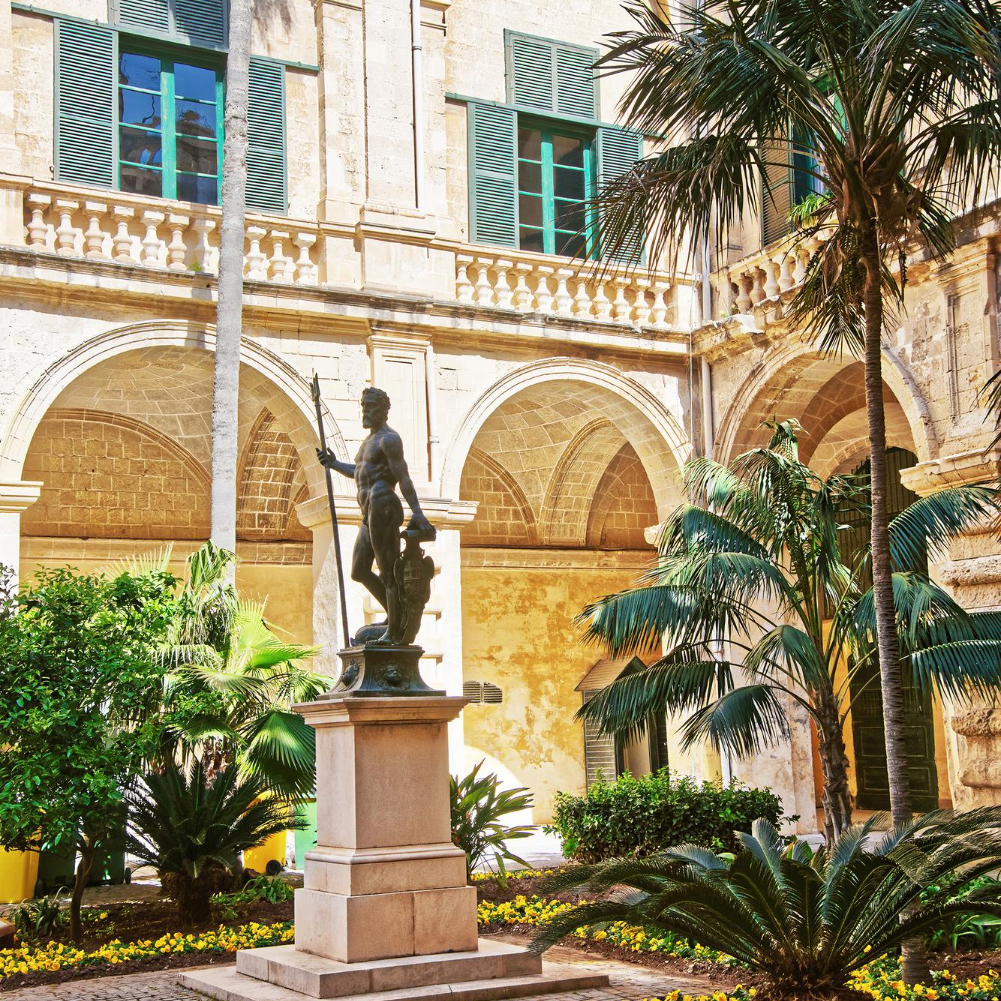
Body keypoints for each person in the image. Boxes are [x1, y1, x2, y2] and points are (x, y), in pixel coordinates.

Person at [316, 387, 435, 644]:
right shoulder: (367, 442)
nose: (366, 411)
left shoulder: (389, 440)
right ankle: (396, 615)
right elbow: (360, 472)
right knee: (358, 571)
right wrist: (333, 463)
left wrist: (418, 512)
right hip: (367, 511)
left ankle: (394, 631)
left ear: (383, 410)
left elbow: (403, 477)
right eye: (364, 406)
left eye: (371, 407)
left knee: (387, 571)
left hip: (383, 505)